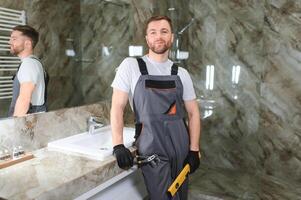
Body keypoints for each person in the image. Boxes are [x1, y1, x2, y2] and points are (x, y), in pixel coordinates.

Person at [111, 15, 201, 200]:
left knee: (180, 195)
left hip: (180, 144)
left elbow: (193, 113)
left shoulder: (181, 73)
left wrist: (194, 149)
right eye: (153, 32)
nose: (158, 36)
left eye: (164, 31)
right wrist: (118, 144)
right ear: (147, 38)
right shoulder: (131, 66)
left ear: (172, 37)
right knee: (164, 197)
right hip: (151, 145)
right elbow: (117, 107)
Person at [8, 25, 47, 117]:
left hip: (27, 123)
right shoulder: (33, 62)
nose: (9, 42)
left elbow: (24, 99)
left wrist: (14, 126)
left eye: (14, 39)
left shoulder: (29, 64)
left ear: (27, 44)